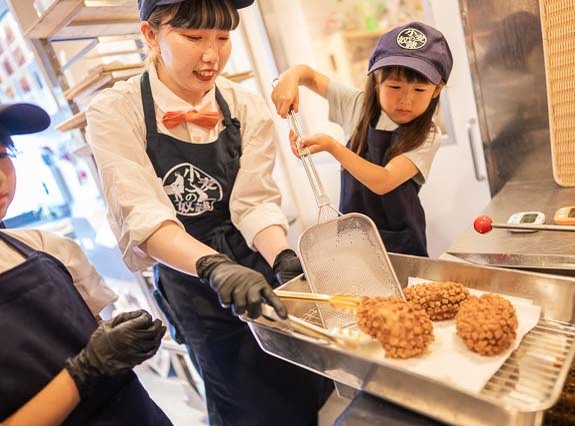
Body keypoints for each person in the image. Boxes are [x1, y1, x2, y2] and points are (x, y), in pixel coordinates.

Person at [85, 0, 332, 424]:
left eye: (222, 37)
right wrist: (213, 266)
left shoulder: (245, 107)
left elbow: (253, 202)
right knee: (243, 397)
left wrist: (281, 256)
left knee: (305, 380)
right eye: (193, 37)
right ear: (151, 35)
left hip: (254, 261)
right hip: (189, 275)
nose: (211, 55)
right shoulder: (116, 111)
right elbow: (142, 212)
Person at [0, 102, 169, 425]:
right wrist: (86, 370)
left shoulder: (47, 249)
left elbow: (95, 335)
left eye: (2, 155)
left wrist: (122, 342)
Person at [272, 22, 453, 257]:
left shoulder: (428, 134)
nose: (406, 100)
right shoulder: (357, 105)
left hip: (401, 242)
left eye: (419, 90)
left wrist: (332, 147)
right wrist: (290, 77)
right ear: (376, 82)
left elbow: (383, 181)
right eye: (395, 86)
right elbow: (309, 76)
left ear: (437, 90)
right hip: (352, 236)